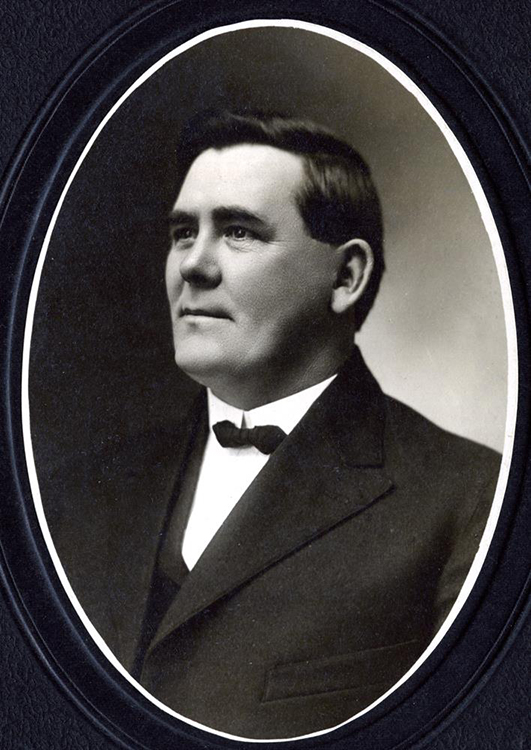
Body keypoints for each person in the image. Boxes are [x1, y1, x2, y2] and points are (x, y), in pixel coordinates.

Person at [49, 111, 501, 739]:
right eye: (183, 233)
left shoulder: (473, 502)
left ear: (346, 277)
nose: (192, 267)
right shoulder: (73, 494)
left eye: (238, 232)